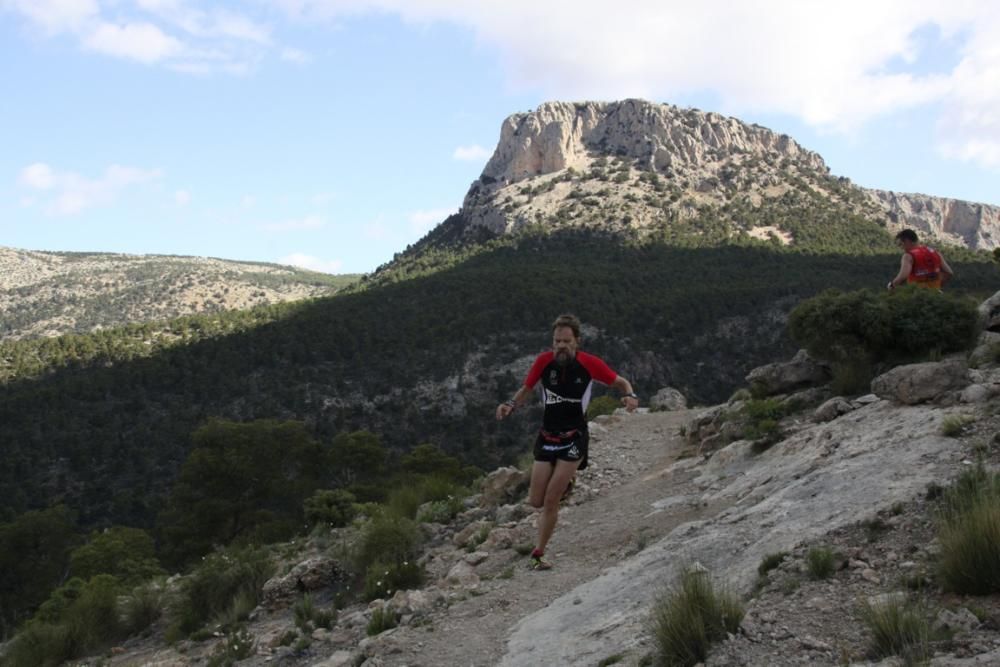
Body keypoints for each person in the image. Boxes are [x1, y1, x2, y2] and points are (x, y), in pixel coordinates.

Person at [495, 314, 639, 570]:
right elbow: (527, 389)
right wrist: (510, 405)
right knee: (535, 501)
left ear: (576, 342)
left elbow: (621, 382)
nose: (560, 346)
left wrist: (629, 395)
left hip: (574, 437)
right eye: (556, 341)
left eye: (566, 341)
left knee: (551, 499)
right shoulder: (543, 362)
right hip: (547, 436)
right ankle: (566, 482)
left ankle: (539, 553)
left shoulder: (590, 364)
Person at [887, 229, 954, 290]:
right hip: (935, 296)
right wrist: (939, 285)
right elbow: (949, 272)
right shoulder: (935, 252)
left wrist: (892, 285)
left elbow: (903, 276)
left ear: (907, 241)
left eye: (901, 244)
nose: (901, 248)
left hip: (917, 296)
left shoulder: (908, 256)